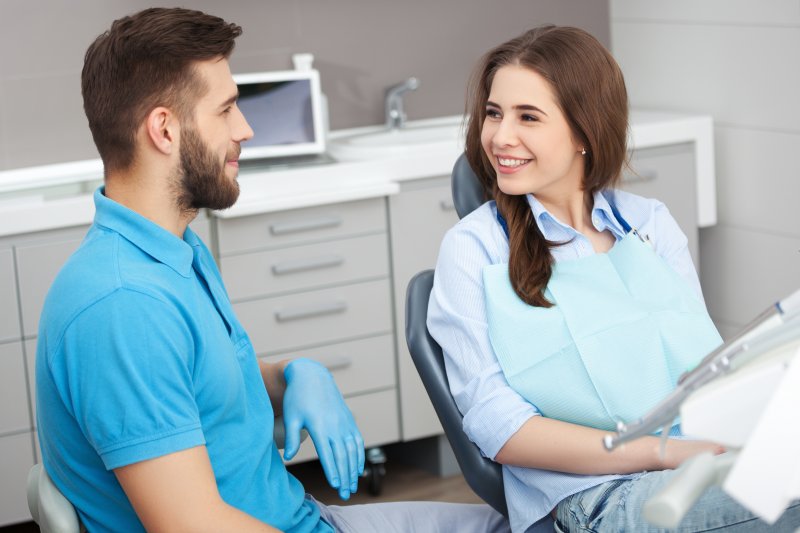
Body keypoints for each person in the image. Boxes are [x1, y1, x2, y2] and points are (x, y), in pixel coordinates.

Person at [35, 8, 510, 533]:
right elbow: (193, 526)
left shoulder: (172, 253)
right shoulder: (124, 306)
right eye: (227, 109)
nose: (246, 129)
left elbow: (195, 386)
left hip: (303, 517)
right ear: (164, 130)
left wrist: (290, 375)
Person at [427, 25, 800, 532]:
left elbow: (701, 369)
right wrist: (663, 453)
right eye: (494, 113)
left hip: (698, 453)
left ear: (585, 131)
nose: (499, 137)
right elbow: (500, 427)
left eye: (527, 117)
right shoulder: (475, 249)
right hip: (594, 495)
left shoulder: (647, 224)